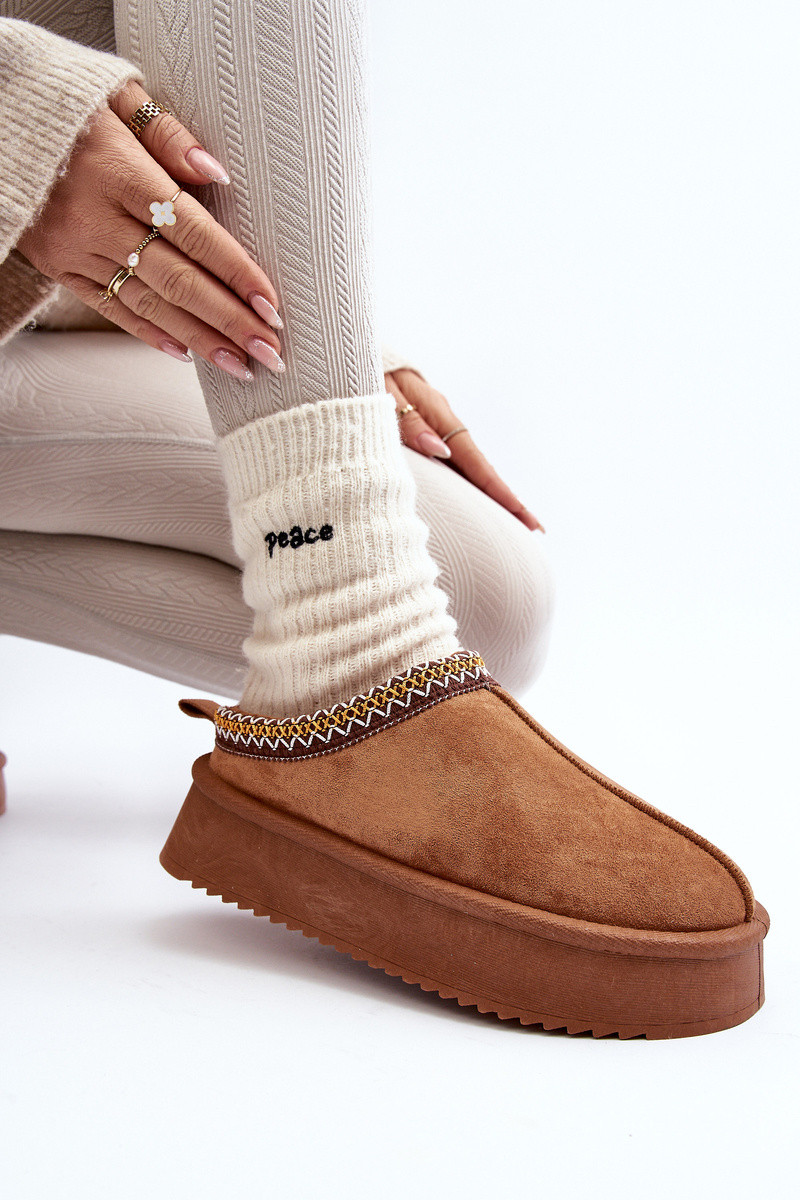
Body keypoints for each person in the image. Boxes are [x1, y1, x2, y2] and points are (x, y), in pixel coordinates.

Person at [0, 1, 767, 1038]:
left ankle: (350, 648)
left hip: (49, 310)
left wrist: (316, 365)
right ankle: (344, 680)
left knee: (489, 596)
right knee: (354, 601)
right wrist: (18, 124)